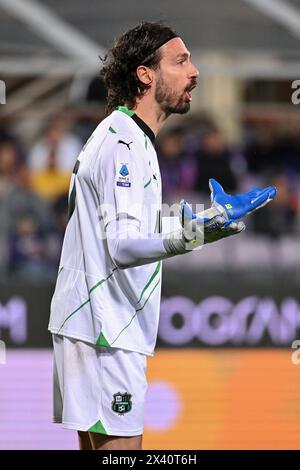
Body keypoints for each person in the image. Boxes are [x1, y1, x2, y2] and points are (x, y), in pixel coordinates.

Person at [48, 21, 276, 451]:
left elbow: (134, 232)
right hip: (105, 329)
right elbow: (122, 246)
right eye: (181, 60)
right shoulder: (124, 146)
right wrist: (198, 233)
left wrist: (212, 220)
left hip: (100, 324)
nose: (195, 71)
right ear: (145, 74)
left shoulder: (128, 138)